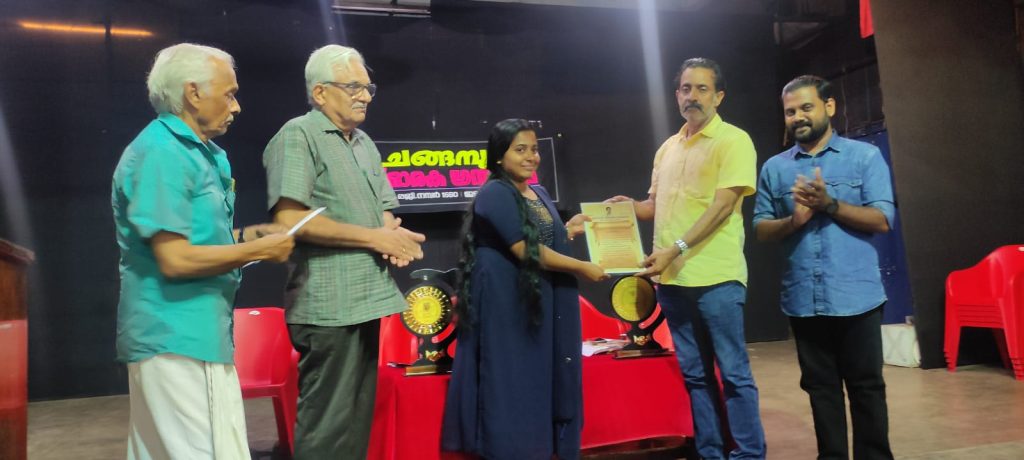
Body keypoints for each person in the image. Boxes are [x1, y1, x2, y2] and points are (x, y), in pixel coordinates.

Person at [112, 43, 294, 460]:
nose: (237, 106)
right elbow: (174, 259)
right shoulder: (162, 153)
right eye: (229, 94)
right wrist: (260, 249)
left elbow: (194, 239)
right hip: (176, 338)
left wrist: (250, 238)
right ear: (193, 93)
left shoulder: (199, 153)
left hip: (199, 335)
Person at [262, 44, 425, 459]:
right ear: (320, 92)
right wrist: (376, 238)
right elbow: (290, 220)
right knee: (328, 427)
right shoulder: (298, 134)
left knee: (355, 422)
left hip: (367, 300)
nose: (365, 96)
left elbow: (383, 211)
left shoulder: (363, 142)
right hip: (327, 307)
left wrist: (394, 235)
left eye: (368, 87)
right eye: (354, 87)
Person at [607, 57, 766, 459]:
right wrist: (629, 208)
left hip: (717, 279)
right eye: (685, 88)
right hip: (673, 281)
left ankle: (749, 454)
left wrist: (675, 248)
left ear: (719, 96)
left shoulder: (734, 141)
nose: (691, 96)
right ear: (676, 94)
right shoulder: (667, 148)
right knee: (695, 376)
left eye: (701, 89)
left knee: (734, 375)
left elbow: (723, 207)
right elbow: (655, 206)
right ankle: (710, 453)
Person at [442, 118, 608, 460]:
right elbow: (525, 249)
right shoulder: (494, 193)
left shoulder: (539, 193)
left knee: (540, 377)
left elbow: (540, 236)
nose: (531, 156)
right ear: (499, 156)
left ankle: (541, 446)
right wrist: (582, 267)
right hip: (507, 305)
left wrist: (568, 229)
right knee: (513, 378)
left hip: (538, 301)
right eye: (520, 150)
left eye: (534, 149)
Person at [753, 75, 895, 460]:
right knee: (821, 390)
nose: (797, 117)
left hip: (857, 297)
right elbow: (761, 228)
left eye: (806, 107)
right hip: (804, 300)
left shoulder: (864, 157)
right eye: (790, 112)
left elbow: (883, 220)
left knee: (866, 388)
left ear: (829, 107)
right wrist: (794, 221)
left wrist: (830, 205)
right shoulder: (775, 168)